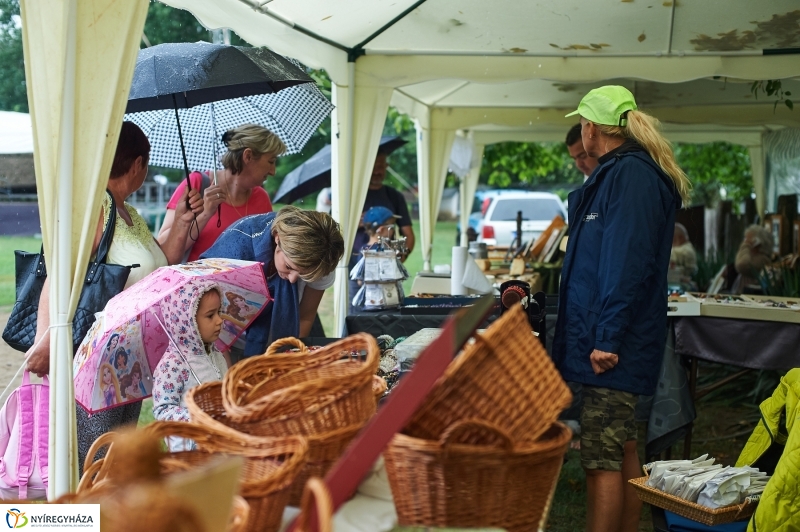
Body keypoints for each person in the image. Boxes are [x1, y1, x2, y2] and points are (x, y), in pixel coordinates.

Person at [24, 121, 204, 468]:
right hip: (97, 358)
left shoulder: (128, 213)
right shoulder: (96, 210)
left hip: (129, 358)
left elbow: (159, 262)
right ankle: (84, 520)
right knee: (95, 457)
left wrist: (182, 220)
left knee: (117, 458)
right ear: (137, 164)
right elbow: (59, 274)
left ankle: (107, 519)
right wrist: (45, 341)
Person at [553, 85, 690, 532]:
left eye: (584, 124)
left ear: (592, 129)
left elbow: (625, 264)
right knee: (624, 447)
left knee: (600, 459)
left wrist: (608, 337)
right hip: (610, 338)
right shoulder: (619, 172)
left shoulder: (630, 175)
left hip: (613, 345)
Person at [201, 205, 344, 358]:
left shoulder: (322, 259)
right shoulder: (232, 252)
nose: (292, 279)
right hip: (227, 341)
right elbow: (212, 328)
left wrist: (288, 356)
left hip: (278, 343)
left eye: (304, 275)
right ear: (277, 237)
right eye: (289, 267)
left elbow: (305, 317)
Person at [158, 124, 286, 262]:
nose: (273, 171)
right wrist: (205, 213)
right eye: (271, 161)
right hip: (197, 282)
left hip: (244, 283)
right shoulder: (197, 184)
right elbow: (162, 247)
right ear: (248, 156)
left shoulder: (262, 197)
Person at [153, 282, 228, 450]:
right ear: (188, 322)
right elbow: (162, 410)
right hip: (189, 452)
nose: (219, 320)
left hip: (218, 445)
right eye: (210, 315)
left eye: (219, 312)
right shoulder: (172, 364)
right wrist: (197, 416)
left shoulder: (216, 356)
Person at [349, 206, 401, 308]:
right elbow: (360, 280)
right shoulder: (370, 252)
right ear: (381, 229)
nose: (394, 230)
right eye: (392, 226)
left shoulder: (364, 250)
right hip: (375, 303)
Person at [732, 224, 774, 294]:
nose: (745, 241)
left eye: (748, 239)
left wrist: (746, 245)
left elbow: (741, 265)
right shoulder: (751, 257)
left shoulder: (762, 260)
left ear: (757, 242)